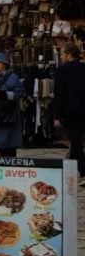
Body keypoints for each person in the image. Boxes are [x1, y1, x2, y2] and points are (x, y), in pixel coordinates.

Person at [53, 43, 85, 177]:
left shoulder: (62, 70)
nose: (61, 57)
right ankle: (74, 169)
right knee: (77, 141)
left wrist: (56, 116)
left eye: (62, 54)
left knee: (75, 141)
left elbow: (60, 95)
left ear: (69, 54)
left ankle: (82, 170)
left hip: (72, 112)